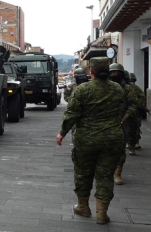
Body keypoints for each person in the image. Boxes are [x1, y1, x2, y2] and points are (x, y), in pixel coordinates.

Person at [56, 57, 124, 225]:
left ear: (91, 71)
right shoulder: (117, 89)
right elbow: (121, 110)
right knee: (106, 176)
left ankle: (83, 206)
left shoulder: (83, 89)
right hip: (112, 139)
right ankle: (102, 212)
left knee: (83, 173)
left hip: (86, 139)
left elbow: (71, 114)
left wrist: (62, 133)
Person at [108, 63, 137, 185]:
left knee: (120, 150)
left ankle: (117, 174)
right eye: (112, 72)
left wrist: (125, 118)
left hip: (121, 122)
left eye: (117, 72)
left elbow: (133, 105)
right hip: (106, 123)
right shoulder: (106, 87)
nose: (115, 74)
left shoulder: (128, 89)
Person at [124, 71, 146, 155]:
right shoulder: (119, 87)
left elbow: (142, 97)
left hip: (133, 111)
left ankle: (134, 143)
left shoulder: (135, 88)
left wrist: (137, 104)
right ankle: (129, 143)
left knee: (135, 127)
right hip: (123, 111)